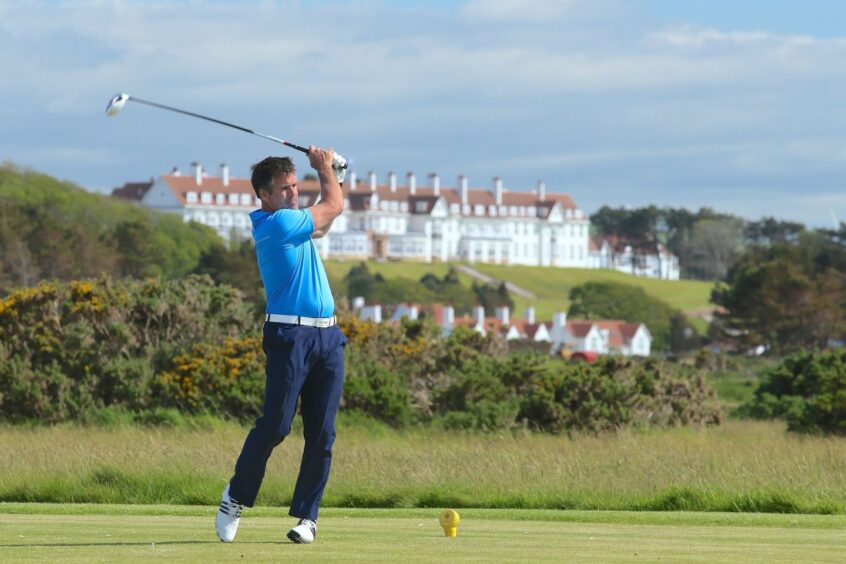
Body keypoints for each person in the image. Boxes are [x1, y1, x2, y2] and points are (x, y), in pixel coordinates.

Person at [215, 146, 346, 545]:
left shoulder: (295, 223)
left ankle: (308, 518)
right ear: (264, 196)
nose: (292, 194)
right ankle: (235, 496)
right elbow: (332, 207)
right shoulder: (275, 225)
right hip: (291, 337)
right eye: (284, 189)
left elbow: (324, 222)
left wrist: (337, 173)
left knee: (322, 432)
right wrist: (326, 168)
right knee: (276, 425)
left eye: (295, 186)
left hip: (328, 336)